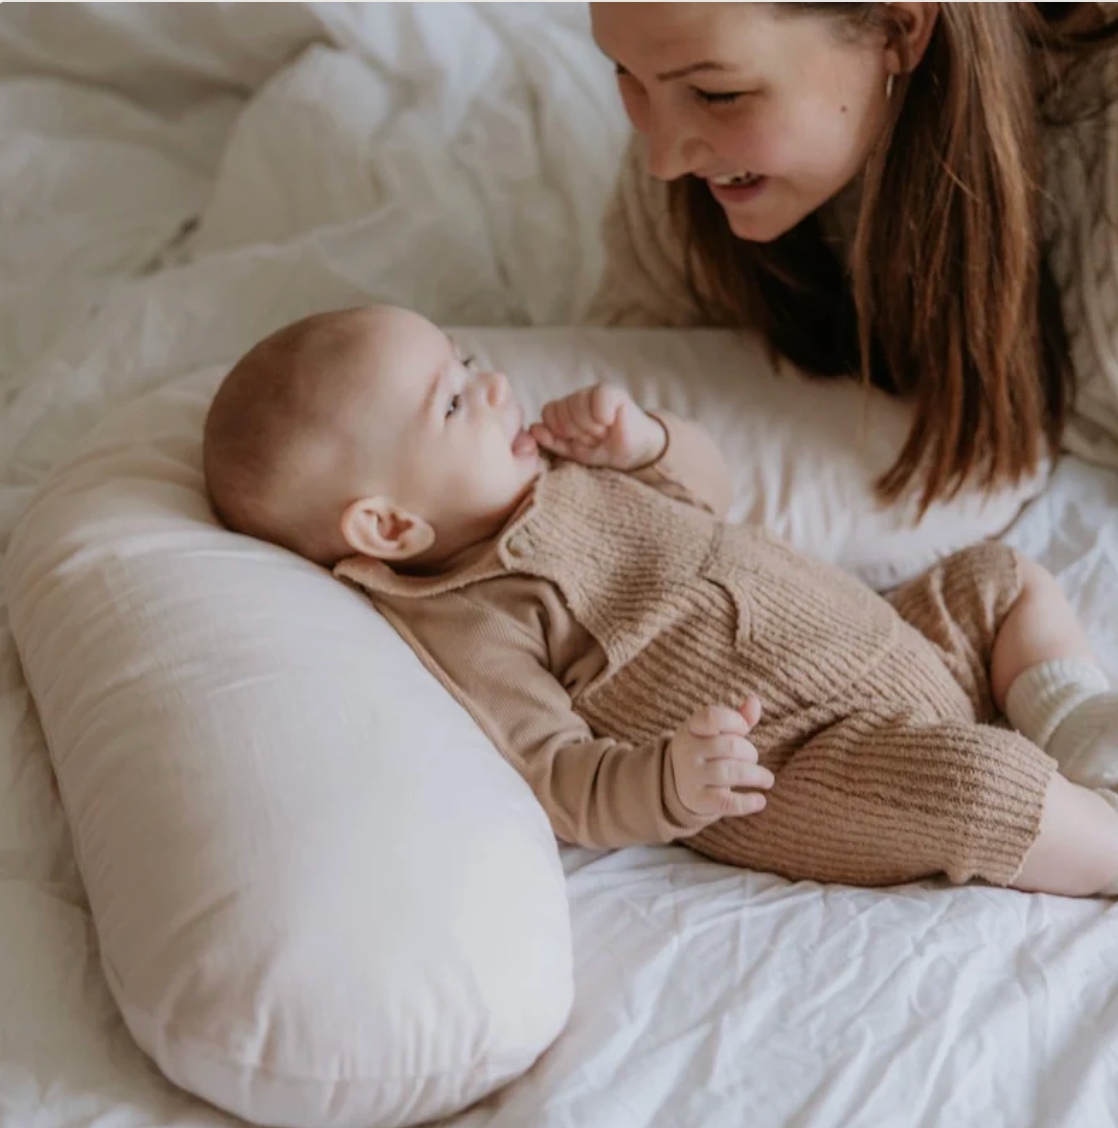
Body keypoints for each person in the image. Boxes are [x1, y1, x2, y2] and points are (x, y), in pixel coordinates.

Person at [203, 305, 1118, 897]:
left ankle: (1078, 731)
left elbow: (708, 498)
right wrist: (671, 784)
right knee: (978, 787)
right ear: (390, 530)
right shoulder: (470, 614)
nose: (492, 384)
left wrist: (647, 445)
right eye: (450, 405)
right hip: (804, 762)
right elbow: (558, 780)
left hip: (886, 645)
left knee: (998, 576)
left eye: (469, 358)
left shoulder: (556, 463)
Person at [587, 3, 1118, 510]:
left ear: (899, 30)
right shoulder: (681, 124)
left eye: (718, 94)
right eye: (623, 71)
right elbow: (631, 363)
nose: (663, 160)